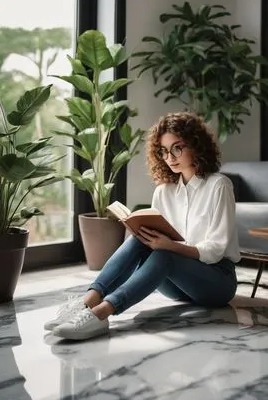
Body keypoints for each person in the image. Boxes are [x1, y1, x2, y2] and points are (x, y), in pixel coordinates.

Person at [44, 112, 241, 341]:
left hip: (216, 282)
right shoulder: (164, 191)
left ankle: (101, 314)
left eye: (177, 148)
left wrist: (169, 246)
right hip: (177, 285)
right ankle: (88, 301)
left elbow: (215, 249)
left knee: (165, 254)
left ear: (196, 146)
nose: (170, 157)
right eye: (164, 151)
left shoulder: (219, 185)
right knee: (140, 240)